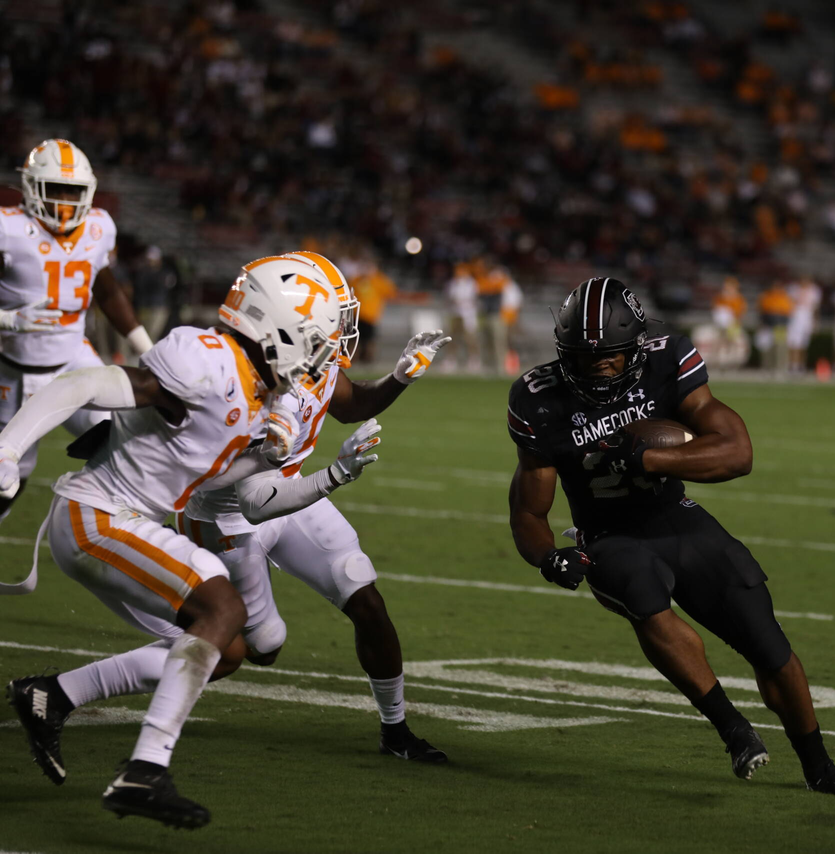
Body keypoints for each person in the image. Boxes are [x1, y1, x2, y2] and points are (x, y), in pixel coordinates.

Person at [1, 255, 360, 828]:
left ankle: (53, 695)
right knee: (223, 607)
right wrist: (9, 447)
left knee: (227, 649)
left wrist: (261, 458)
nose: (321, 359)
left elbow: (204, 478)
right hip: (98, 515)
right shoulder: (207, 359)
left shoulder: (258, 391)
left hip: (128, 519)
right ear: (282, 329)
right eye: (315, 342)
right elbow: (88, 382)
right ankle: (145, 769)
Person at [507, 277, 835, 799]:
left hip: (674, 515)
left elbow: (737, 453)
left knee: (768, 643)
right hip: (608, 533)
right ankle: (733, 728)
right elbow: (527, 508)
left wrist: (648, 457)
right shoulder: (538, 399)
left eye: (610, 355)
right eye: (585, 356)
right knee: (640, 587)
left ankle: (819, 766)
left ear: (636, 344)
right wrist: (548, 557)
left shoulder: (667, 361)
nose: (598, 366)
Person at [179, 250, 452, 764]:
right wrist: (335, 473)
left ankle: (396, 731)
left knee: (364, 594)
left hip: (287, 491)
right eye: (334, 316)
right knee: (257, 648)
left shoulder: (315, 364)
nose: (344, 327)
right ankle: (102, 678)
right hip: (229, 518)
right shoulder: (240, 380)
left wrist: (399, 378)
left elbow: (348, 405)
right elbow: (254, 501)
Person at [0, 139, 154, 526]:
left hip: (73, 357)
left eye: (74, 191)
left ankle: (121, 527)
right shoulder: (9, 229)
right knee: (6, 477)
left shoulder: (99, 227)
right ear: (31, 188)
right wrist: (6, 320)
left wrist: (146, 349)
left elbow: (106, 290)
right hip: (11, 369)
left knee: (130, 435)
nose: (64, 201)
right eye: (55, 189)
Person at [446, 261, 480, 371]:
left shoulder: (472, 283)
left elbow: (473, 298)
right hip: (456, 313)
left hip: (468, 314)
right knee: (453, 338)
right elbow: (450, 298)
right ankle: (451, 360)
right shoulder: (453, 283)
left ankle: (473, 360)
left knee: (470, 339)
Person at [786, 276, 822, 373]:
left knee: (803, 344)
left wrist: (815, 322)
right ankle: (792, 365)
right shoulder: (793, 289)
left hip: (807, 319)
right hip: (795, 319)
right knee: (793, 343)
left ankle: (801, 365)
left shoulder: (814, 291)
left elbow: (816, 308)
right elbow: (788, 305)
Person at [756, 280, 792, 373]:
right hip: (768, 325)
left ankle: (780, 368)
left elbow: (787, 313)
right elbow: (762, 311)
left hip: (780, 326)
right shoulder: (766, 297)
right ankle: (767, 367)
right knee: (766, 347)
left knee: (780, 347)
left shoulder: (784, 298)